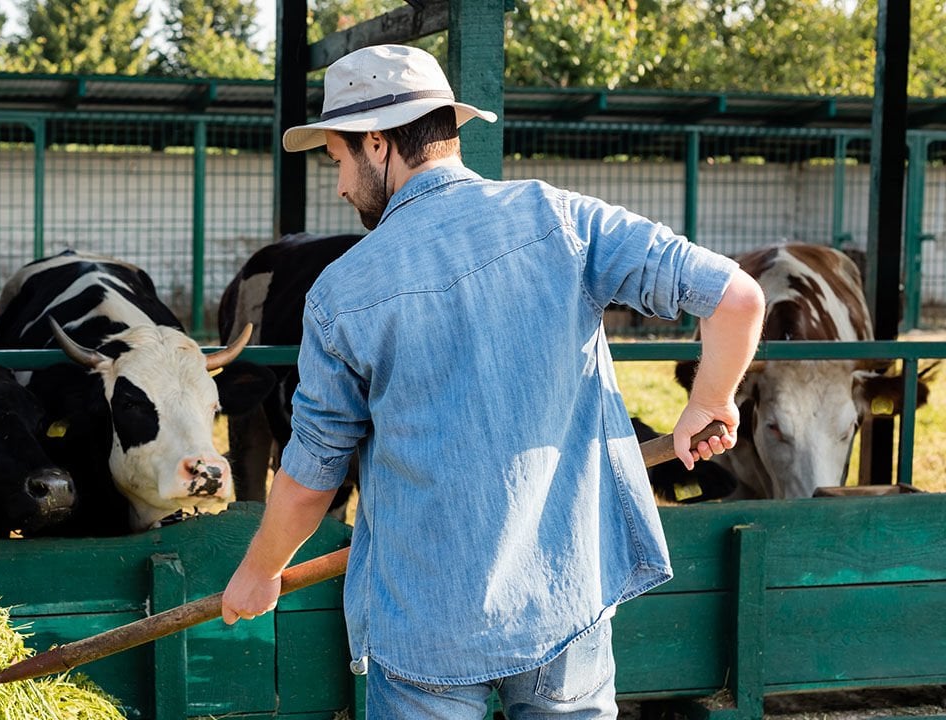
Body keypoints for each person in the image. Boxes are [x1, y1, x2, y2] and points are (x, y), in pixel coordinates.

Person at [221, 44, 765, 719]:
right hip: (567, 600)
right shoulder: (565, 220)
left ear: (377, 143)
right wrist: (708, 402)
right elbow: (736, 298)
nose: (338, 185)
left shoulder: (342, 293)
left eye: (336, 159)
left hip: (426, 629)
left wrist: (259, 571)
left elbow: (311, 479)